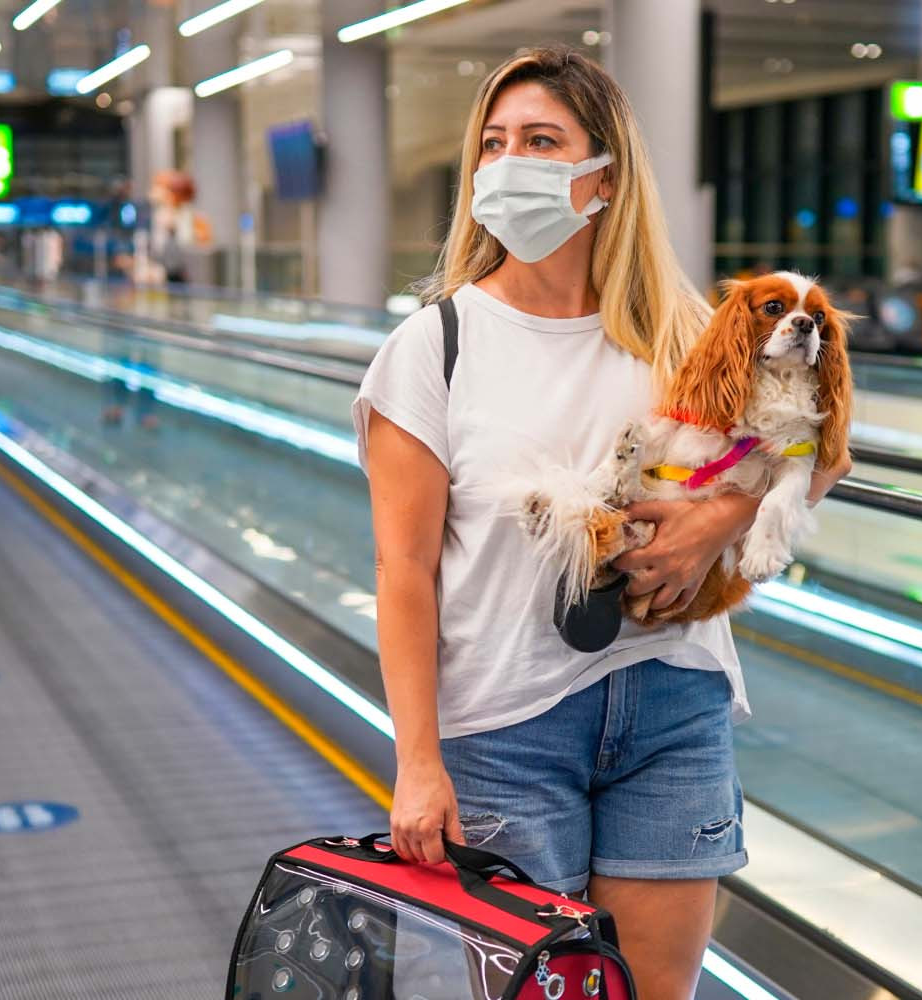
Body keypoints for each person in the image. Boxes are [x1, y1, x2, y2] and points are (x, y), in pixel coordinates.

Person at [354, 46, 850, 1000]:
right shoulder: (434, 347)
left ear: (603, 177)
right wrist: (418, 764)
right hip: (507, 726)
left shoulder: (683, 334)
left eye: (542, 141)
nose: (510, 164)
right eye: (493, 145)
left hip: (672, 704)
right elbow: (402, 569)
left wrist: (720, 518)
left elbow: (815, 453)